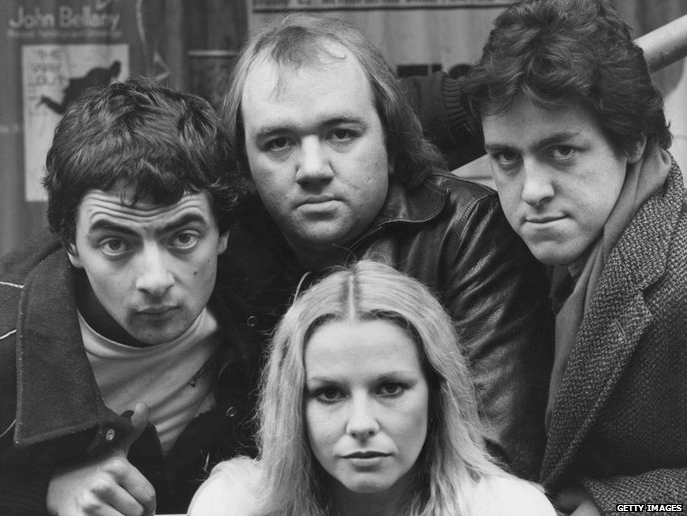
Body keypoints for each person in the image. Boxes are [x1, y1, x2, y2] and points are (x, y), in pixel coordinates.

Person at [217, 12, 553, 481]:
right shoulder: (223, 243)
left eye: (341, 134)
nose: (312, 168)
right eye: (278, 142)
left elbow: (495, 460)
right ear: (245, 163)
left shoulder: (466, 231)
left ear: (392, 144)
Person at [461, 0, 687, 513]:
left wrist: (622, 506)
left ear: (633, 141)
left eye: (561, 151)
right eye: (506, 157)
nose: (532, 190)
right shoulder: (508, 252)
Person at [0, 77, 255, 515]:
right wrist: (40, 492)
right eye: (116, 243)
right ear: (71, 244)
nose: (155, 280)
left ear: (223, 233)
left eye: (184, 237)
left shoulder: (272, 298)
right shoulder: (6, 338)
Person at [188, 260, 557, 516]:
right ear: (294, 406)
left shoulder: (506, 508)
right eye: (329, 394)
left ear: (436, 396)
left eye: (390, 388)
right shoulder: (233, 505)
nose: (361, 424)